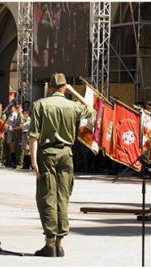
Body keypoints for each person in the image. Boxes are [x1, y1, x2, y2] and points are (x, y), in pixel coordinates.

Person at [29, 73, 94, 257]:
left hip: (47, 153)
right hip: (67, 154)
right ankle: (60, 243)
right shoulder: (72, 106)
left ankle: (50, 243)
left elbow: (34, 136)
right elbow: (91, 110)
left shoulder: (41, 105)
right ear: (64, 88)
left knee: (47, 195)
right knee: (63, 196)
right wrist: (74, 92)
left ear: (49, 87)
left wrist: (33, 161)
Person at [13, 104, 25, 169]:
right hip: (17, 135)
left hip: (20, 135)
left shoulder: (21, 115)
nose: (18, 109)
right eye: (17, 108)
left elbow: (21, 125)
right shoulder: (18, 115)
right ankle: (18, 163)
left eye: (19, 108)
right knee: (17, 149)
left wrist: (14, 128)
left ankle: (20, 164)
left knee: (20, 149)